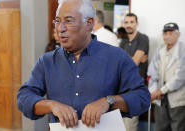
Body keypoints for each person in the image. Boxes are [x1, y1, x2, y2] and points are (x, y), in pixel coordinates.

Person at [17, 0, 150, 129]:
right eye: (57, 21)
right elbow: (24, 97)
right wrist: (51, 105)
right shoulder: (47, 61)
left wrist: (109, 101)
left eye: (68, 21)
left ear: (88, 23)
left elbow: (142, 97)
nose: (60, 28)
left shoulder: (117, 58)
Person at [148, 22, 185, 131]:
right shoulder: (160, 49)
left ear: (178, 35)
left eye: (171, 33)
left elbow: (180, 77)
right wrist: (154, 91)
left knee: (177, 128)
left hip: (177, 98)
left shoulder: (183, 50)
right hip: (159, 98)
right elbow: (152, 72)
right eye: (165, 33)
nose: (167, 36)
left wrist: (161, 91)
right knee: (160, 127)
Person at [120, 13, 149, 131]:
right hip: (122, 89)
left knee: (130, 127)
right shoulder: (123, 42)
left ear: (137, 24)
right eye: (126, 22)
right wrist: (134, 58)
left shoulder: (143, 38)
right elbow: (119, 65)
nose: (129, 25)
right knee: (120, 126)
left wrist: (133, 60)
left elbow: (134, 63)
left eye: (132, 22)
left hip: (135, 90)